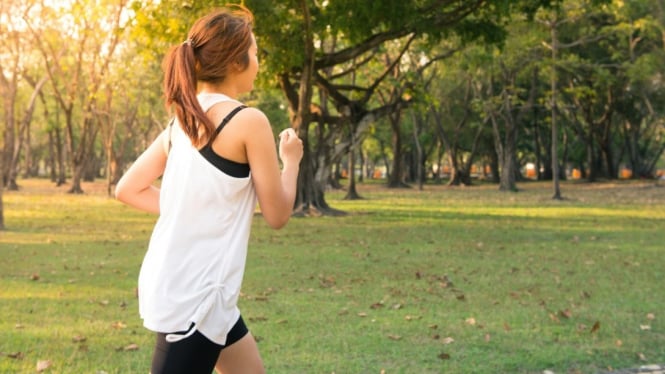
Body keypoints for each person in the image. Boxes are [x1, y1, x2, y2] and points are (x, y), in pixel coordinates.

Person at [115, 5, 303, 374]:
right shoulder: (248, 121)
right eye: (255, 53)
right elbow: (278, 214)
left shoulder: (181, 121)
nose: (258, 61)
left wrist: (188, 208)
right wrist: (291, 161)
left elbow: (128, 189)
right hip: (195, 300)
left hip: (199, 292)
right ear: (235, 62)